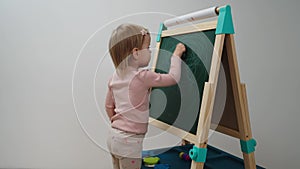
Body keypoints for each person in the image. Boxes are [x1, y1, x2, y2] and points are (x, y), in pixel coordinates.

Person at [105, 23, 186, 169]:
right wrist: (176, 56)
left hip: (113, 137)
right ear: (136, 52)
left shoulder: (114, 77)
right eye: (147, 48)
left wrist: (118, 123)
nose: (150, 52)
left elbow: (109, 106)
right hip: (129, 142)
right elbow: (173, 78)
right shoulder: (143, 76)